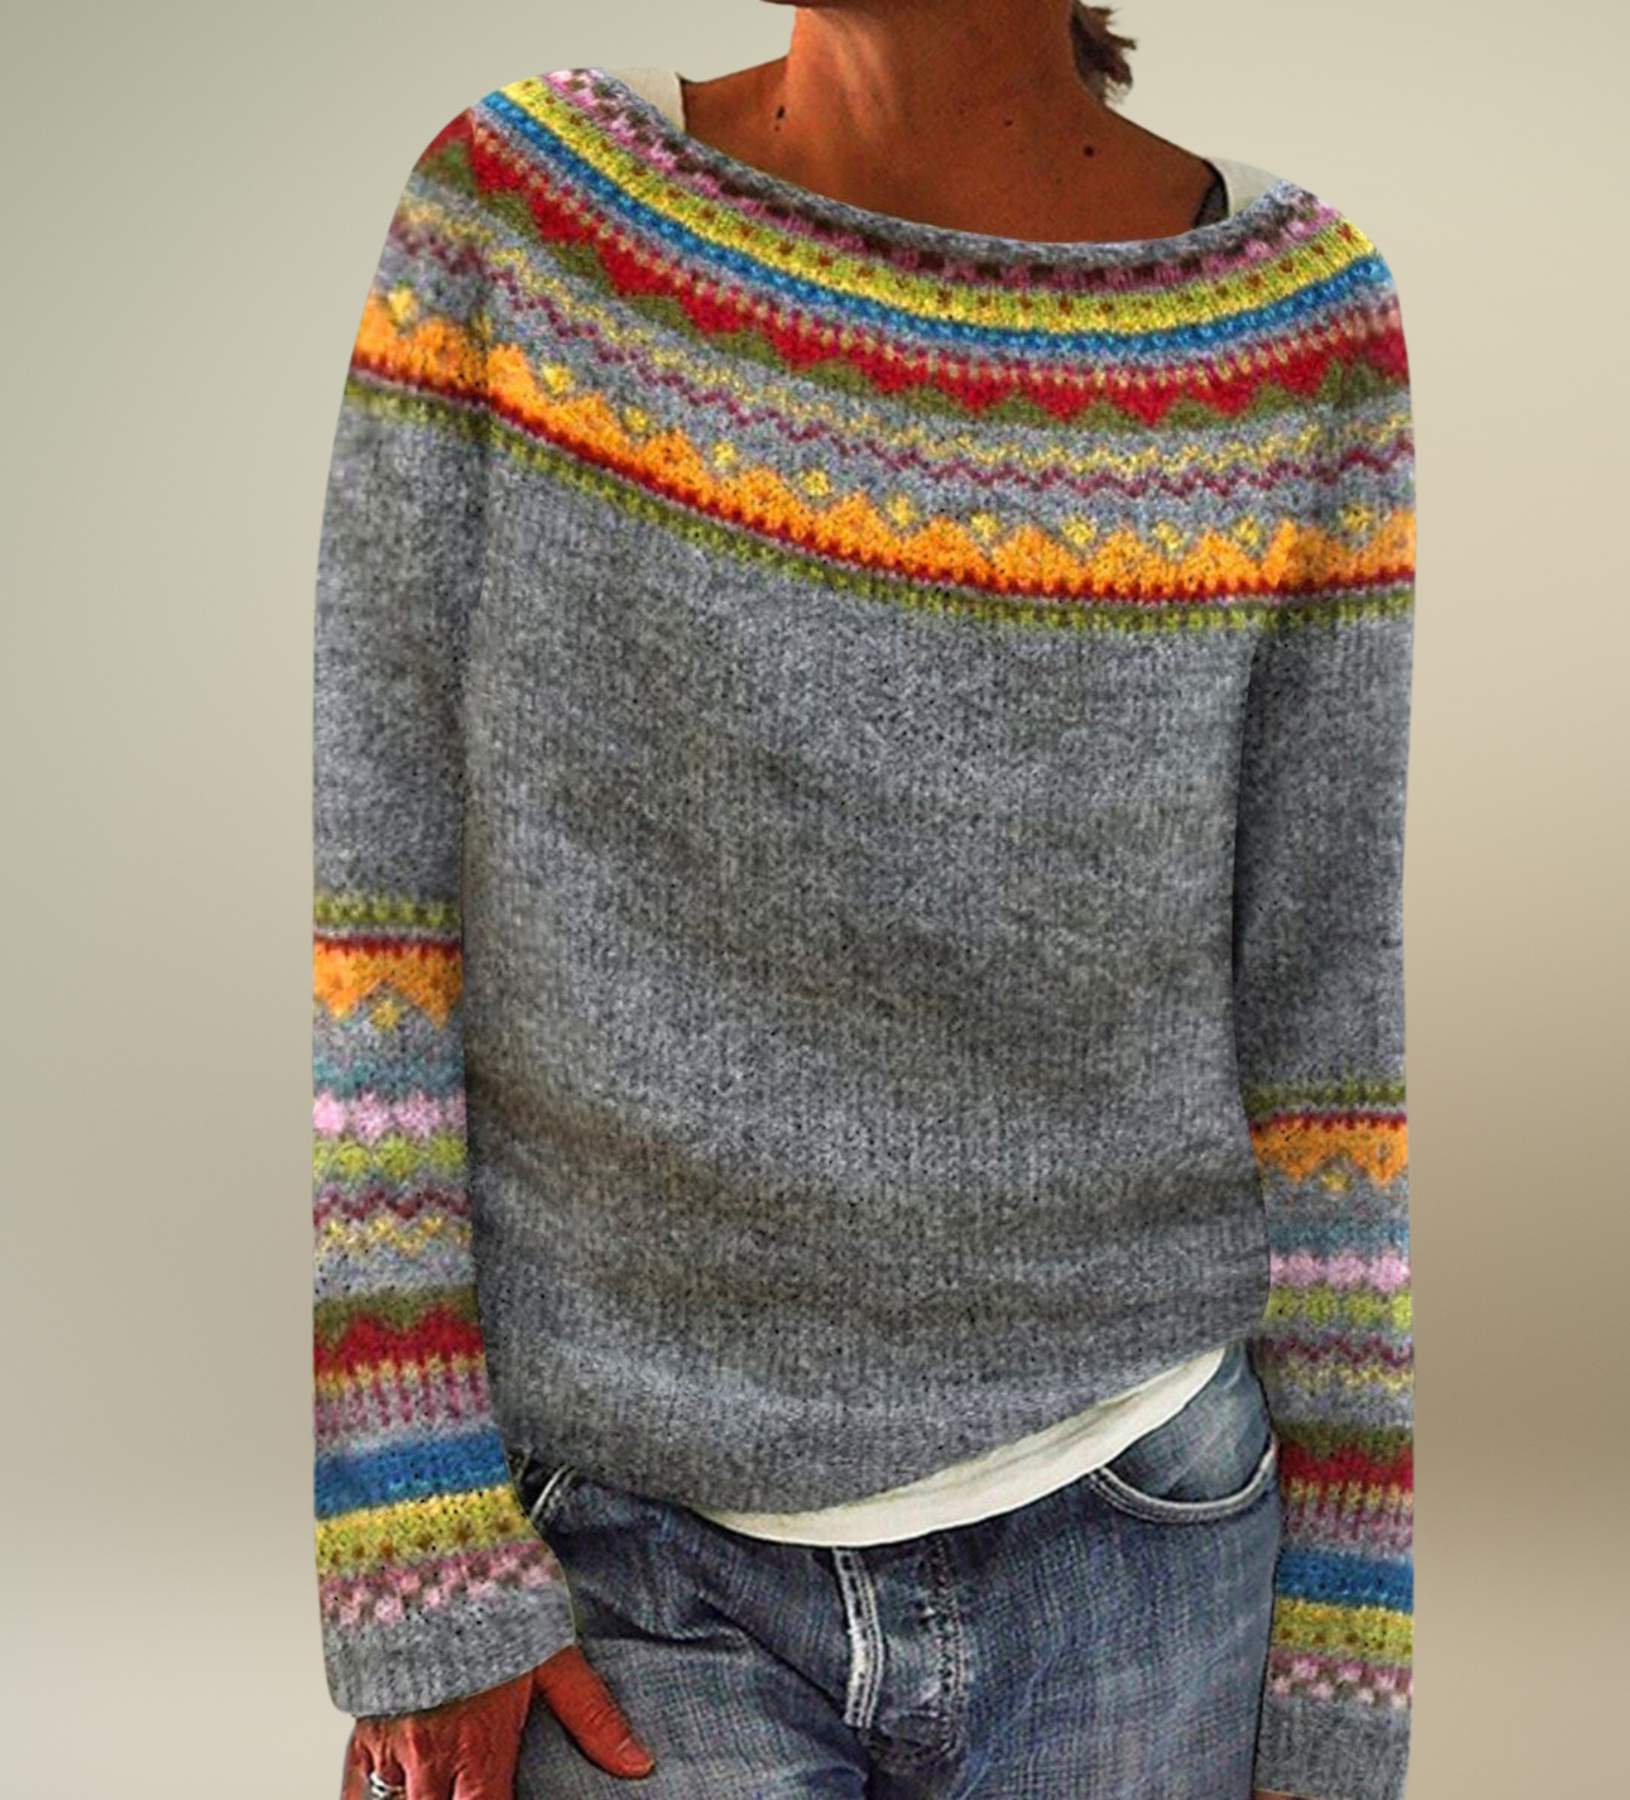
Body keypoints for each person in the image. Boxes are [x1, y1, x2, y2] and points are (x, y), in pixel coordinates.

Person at [311, 4, 1416, 1798]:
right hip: (624, 1558)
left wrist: (1345, 1657)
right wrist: (413, 1534)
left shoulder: (1287, 327)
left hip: (1144, 1542)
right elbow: (382, 925)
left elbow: (1323, 1014)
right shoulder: (529, 221)